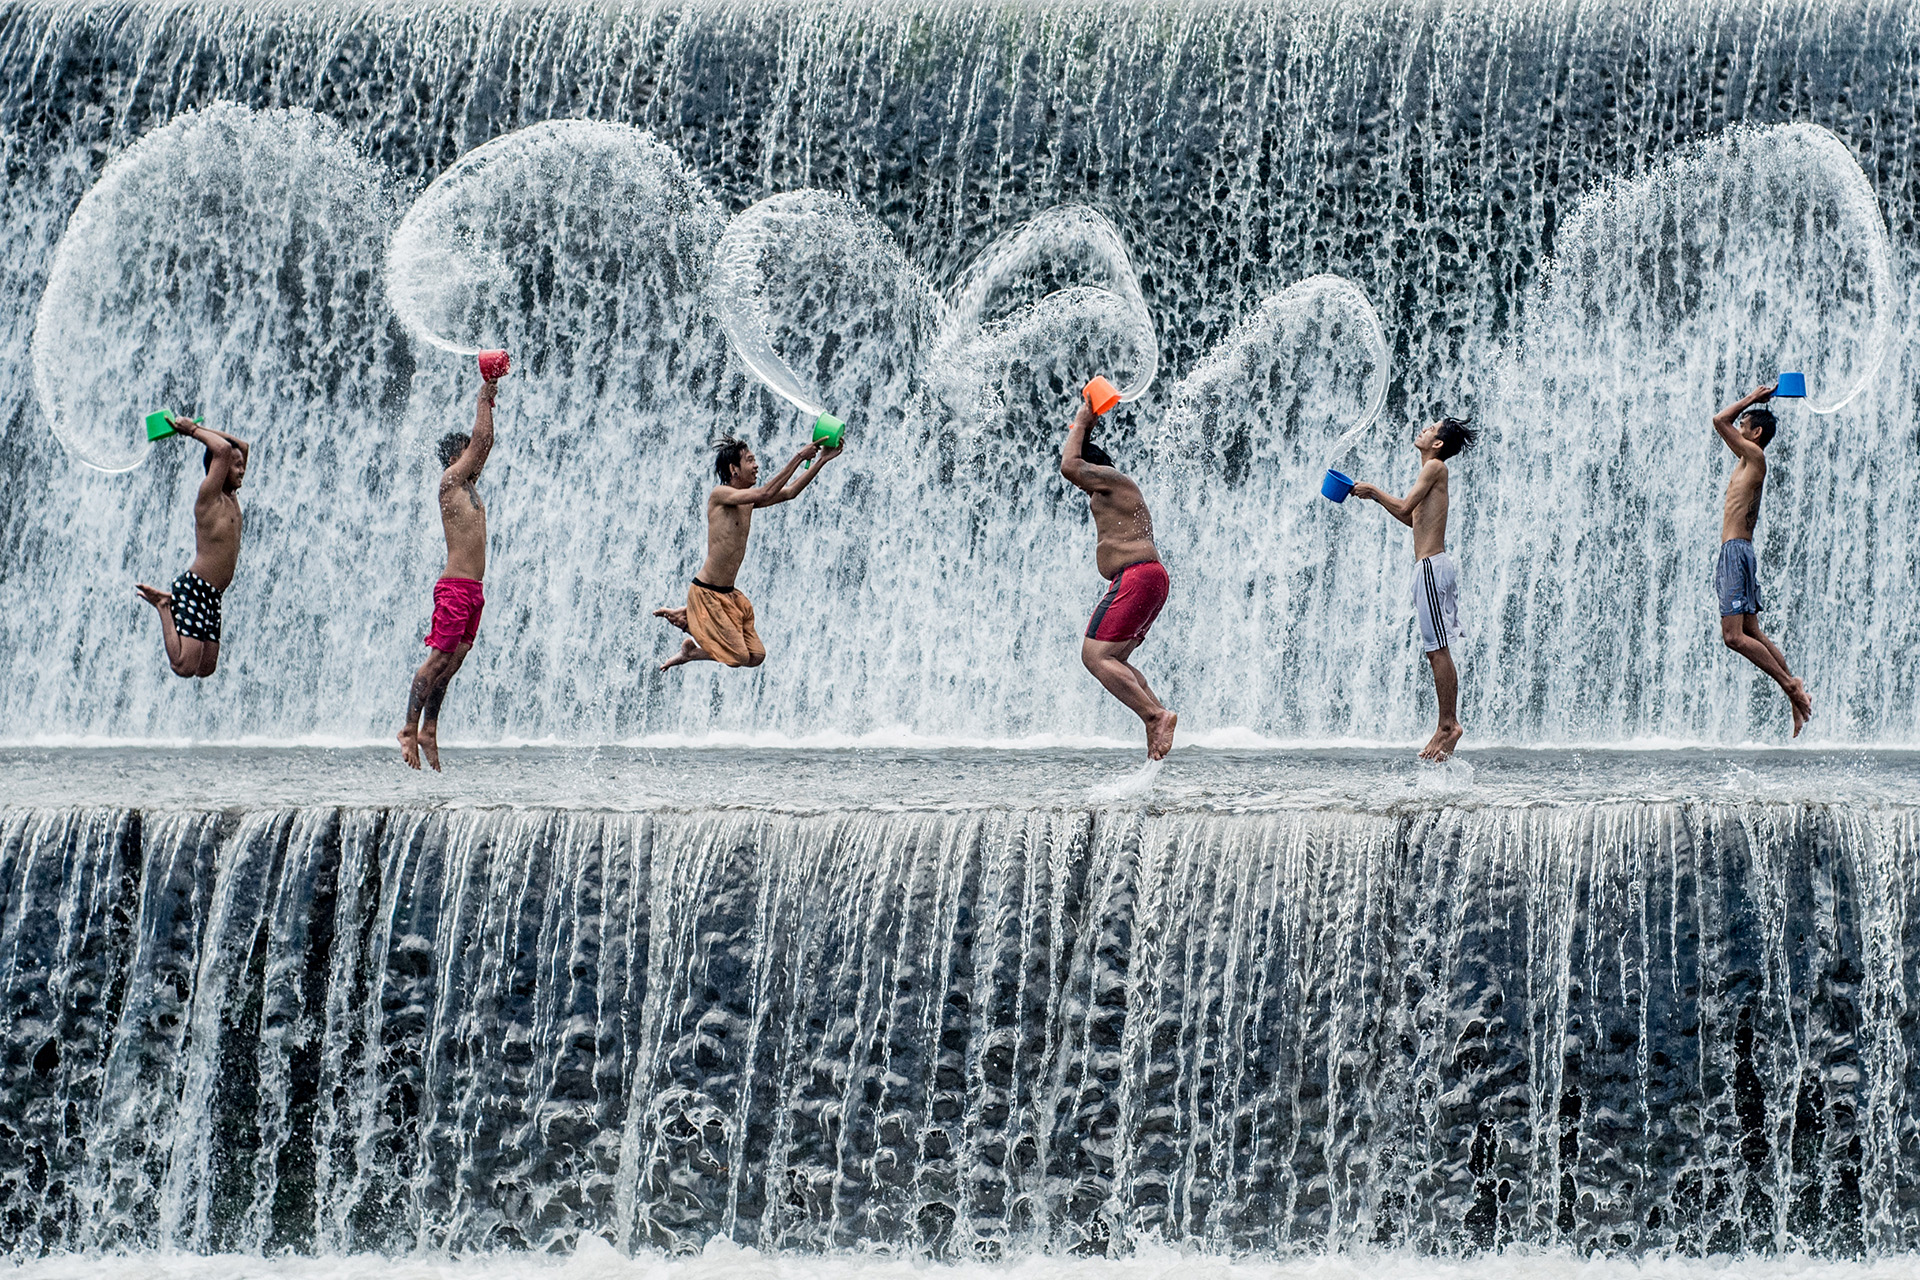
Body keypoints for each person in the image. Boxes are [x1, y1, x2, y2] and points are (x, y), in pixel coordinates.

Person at [655, 434, 843, 670]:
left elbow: (790, 491)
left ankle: (691, 651)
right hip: (707, 592)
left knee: (755, 656)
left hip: (728, 594)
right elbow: (764, 493)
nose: (756, 466)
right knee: (739, 658)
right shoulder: (720, 495)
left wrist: (821, 460)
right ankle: (692, 616)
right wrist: (798, 457)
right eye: (750, 460)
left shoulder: (747, 501)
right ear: (734, 469)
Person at [1350, 416, 1476, 761]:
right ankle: (1446, 723)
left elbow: (1405, 507)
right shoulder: (1430, 471)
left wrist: (1374, 491)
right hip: (1430, 568)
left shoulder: (1434, 467)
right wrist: (1375, 497)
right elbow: (1411, 517)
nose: (1423, 428)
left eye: (1430, 428)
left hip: (1432, 568)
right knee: (1435, 649)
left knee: (1438, 650)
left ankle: (1448, 725)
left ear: (1437, 444)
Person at [1060, 396, 1176, 760]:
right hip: (1147, 578)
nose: (1082, 485)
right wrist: (1086, 428)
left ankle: (1155, 716)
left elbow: (1069, 465)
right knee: (1115, 660)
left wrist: (1082, 419)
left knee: (1094, 657)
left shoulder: (1114, 480)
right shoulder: (1109, 492)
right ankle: (1157, 715)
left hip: (1137, 577)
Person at [398, 372, 499, 770]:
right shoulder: (450, 481)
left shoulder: (470, 487)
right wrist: (484, 398)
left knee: (452, 664)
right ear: (455, 458)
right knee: (437, 660)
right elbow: (483, 442)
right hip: (455, 588)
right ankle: (408, 727)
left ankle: (429, 730)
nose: (477, 458)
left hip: (473, 590)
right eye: (468, 452)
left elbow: (483, 447)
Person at [1710, 384, 1812, 736]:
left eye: (1744, 423)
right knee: (1752, 631)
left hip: (1736, 552)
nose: (1736, 426)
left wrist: (1754, 397)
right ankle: (1794, 696)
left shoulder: (1755, 457)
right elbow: (1726, 423)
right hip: (1740, 551)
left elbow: (1718, 419)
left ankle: (1790, 686)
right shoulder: (1746, 461)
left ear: (1755, 434)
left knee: (1733, 637)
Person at [135, 415, 249, 678]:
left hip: (213, 594)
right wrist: (192, 431)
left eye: (242, 466)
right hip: (195, 587)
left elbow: (240, 445)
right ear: (218, 470)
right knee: (184, 666)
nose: (242, 470)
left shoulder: (232, 497)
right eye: (235, 466)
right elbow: (221, 450)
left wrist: (199, 430)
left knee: (205, 669)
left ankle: (169, 605)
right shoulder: (209, 498)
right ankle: (164, 604)